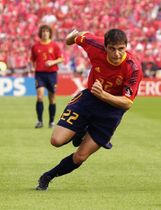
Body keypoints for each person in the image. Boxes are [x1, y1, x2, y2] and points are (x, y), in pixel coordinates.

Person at [35, 28, 143, 190]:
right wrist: (71, 37)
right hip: (89, 100)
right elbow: (72, 39)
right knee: (56, 141)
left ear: (126, 47)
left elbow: (127, 102)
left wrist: (104, 95)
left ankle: (47, 176)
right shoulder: (94, 44)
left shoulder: (133, 68)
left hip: (112, 111)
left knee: (80, 156)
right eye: (112, 48)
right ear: (105, 47)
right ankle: (83, 129)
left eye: (121, 49)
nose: (117, 54)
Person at [31, 25, 64, 128]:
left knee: (52, 98)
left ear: (50, 33)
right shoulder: (35, 46)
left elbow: (61, 59)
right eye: (43, 31)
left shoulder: (54, 46)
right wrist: (33, 67)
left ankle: (51, 121)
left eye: (47, 31)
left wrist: (53, 62)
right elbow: (32, 59)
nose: (45, 33)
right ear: (40, 33)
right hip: (40, 74)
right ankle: (40, 121)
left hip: (51, 74)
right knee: (40, 96)